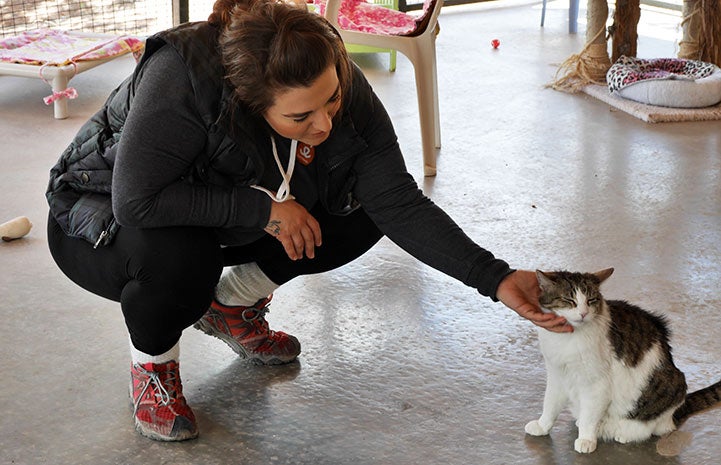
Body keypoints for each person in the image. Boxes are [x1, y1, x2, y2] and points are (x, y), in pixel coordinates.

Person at [46, 0, 570, 442]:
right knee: (183, 261)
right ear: (251, 102)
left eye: (333, 100)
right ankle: (153, 367)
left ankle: (231, 306)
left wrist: (494, 277)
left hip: (221, 215)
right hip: (102, 222)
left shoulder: (334, 79)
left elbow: (398, 201)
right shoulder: (183, 78)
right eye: (301, 117)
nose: (325, 122)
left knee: (363, 211)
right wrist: (264, 210)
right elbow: (136, 201)